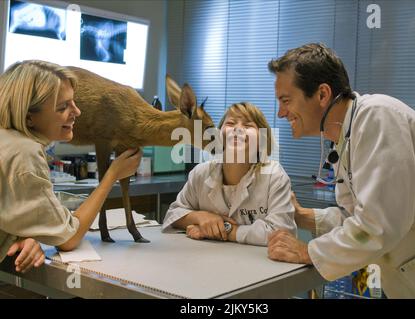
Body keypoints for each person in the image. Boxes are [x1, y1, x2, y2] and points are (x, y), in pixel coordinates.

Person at [266, 43, 415, 298]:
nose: (281, 112)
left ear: (322, 94)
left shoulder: (378, 116)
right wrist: (303, 216)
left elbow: (377, 226)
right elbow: (358, 218)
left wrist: (307, 251)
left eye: (286, 100)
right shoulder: (346, 138)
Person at [0, 60, 142, 272]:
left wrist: (24, 234)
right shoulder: (24, 153)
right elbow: (69, 238)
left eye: (73, 102)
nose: (77, 112)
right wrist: (112, 174)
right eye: (63, 107)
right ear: (30, 118)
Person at [162, 102, 296, 246]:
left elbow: (282, 234)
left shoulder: (274, 175)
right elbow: (172, 215)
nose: (238, 129)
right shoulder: (201, 173)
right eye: (231, 123)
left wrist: (225, 229)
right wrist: (200, 217)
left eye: (248, 125)